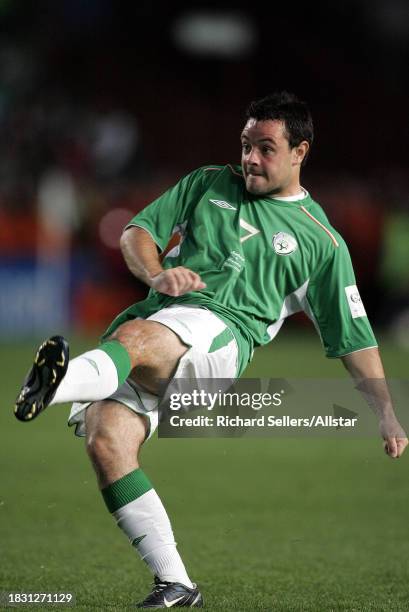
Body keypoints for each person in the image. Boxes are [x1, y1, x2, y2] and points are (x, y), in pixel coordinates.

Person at [14, 92, 408, 609]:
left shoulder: (322, 243)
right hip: (159, 326)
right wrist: (157, 274)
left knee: (132, 342)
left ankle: (56, 386)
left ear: (300, 152)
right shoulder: (207, 183)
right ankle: (177, 584)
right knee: (107, 441)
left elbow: (355, 337)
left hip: (220, 344)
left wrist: (385, 413)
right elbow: (137, 233)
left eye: (266, 148)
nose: (251, 158)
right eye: (246, 145)